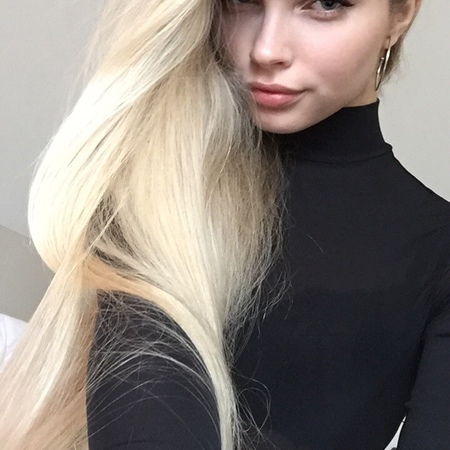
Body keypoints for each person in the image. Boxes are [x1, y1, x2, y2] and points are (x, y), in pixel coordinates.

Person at [1, 0, 448, 449]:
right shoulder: (160, 182)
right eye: (241, 2)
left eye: (325, 4)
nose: (266, 49)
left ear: (399, 15)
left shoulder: (438, 249)